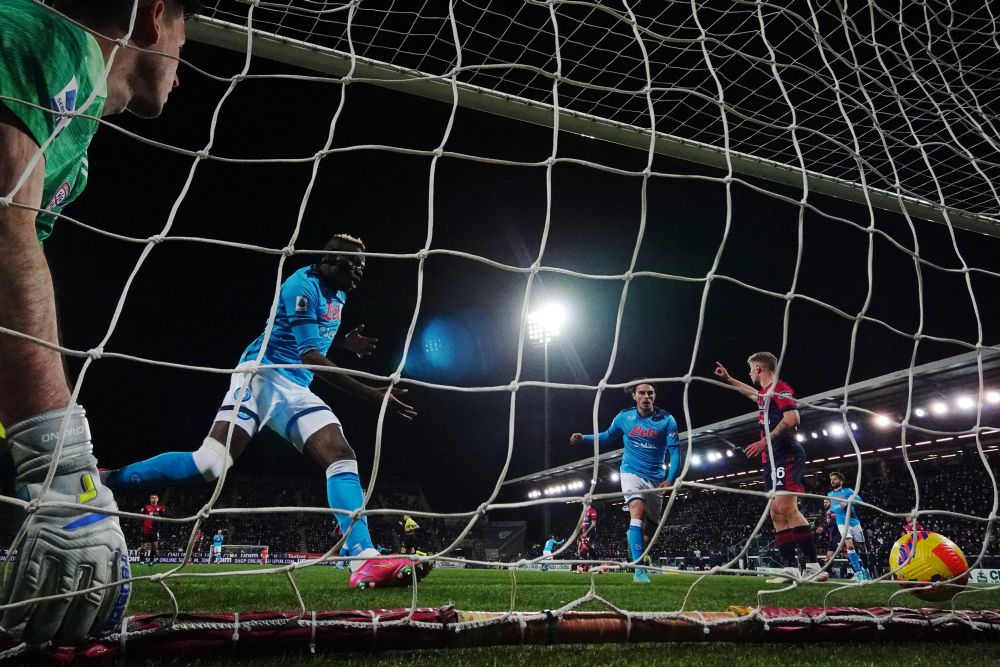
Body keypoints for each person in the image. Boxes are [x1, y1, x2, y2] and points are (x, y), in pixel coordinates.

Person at [0, 0, 197, 644]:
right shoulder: (34, 34)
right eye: (182, 42)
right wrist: (62, 470)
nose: (181, 67)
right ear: (152, 16)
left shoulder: (76, 143)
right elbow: (2, 231)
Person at [101, 235, 429, 589]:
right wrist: (369, 394)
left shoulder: (340, 294)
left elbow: (313, 338)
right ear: (332, 258)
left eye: (364, 266)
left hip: (294, 387)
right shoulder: (301, 286)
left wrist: (345, 342)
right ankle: (110, 479)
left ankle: (362, 558)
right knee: (209, 465)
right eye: (356, 265)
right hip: (261, 376)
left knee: (342, 457)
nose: (361, 272)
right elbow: (310, 356)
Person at [714, 354, 826, 582]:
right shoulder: (765, 394)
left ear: (758, 368)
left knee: (787, 508)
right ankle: (790, 569)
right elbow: (752, 393)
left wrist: (765, 441)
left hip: (785, 453)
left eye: (750, 370)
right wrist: (729, 379)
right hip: (771, 459)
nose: (750, 374)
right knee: (775, 512)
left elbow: (793, 418)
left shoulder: (780, 388)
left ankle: (814, 567)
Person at [570, 383, 680, 584]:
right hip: (630, 472)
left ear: (655, 396)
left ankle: (636, 546)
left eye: (650, 393)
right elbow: (607, 436)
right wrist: (583, 438)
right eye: (642, 393)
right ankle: (639, 572)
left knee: (652, 528)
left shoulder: (667, 420)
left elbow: (674, 451)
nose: (646, 396)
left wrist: (669, 479)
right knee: (636, 509)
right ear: (634, 396)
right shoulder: (624, 417)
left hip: (656, 477)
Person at [827, 471, 872, 581]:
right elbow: (833, 508)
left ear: (841, 481)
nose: (832, 481)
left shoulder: (848, 491)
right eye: (831, 479)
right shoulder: (829, 495)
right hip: (841, 522)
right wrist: (830, 510)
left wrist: (847, 502)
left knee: (862, 548)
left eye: (835, 479)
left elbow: (860, 501)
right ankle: (858, 572)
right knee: (850, 546)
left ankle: (865, 569)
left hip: (854, 521)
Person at [139, 494, 166, 566]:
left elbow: (164, 517)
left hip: (154, 531)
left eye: (155, 498)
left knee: (154, 546)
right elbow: (140, 516)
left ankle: (151, 562)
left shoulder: (161, 507)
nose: (154, 499)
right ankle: (141, 561)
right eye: (152, 498)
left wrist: (159, 528)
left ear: (158, 499)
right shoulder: (146, 507)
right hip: (145, 530)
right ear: (150, 499)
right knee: (143, 546)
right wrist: (142, 526)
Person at [577, 504, 598, 572]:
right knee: (591, 550)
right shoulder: (584, 512)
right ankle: (599, 567)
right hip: (585, 533)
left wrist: (586, 533)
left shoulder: (592, 511)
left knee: (584, 546)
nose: (582, 504)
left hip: (590, 533)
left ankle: (581, 567)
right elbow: (583, 524)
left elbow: (593, 524)